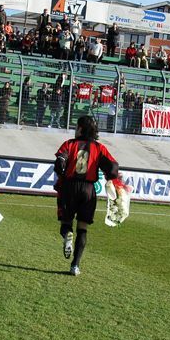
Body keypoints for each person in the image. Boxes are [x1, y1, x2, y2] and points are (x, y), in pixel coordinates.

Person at [54, 115, 119, 276]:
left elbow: (60, 161)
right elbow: (112, 167)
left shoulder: (70, 144)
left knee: (66, 222)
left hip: (70, 187)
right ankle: (75, 266)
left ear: (81, 129)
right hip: (89, 190)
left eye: (77, 127)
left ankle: (67, 235)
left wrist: (62, 169)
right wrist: (112, 178)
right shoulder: (99, 148)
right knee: (83, 228)